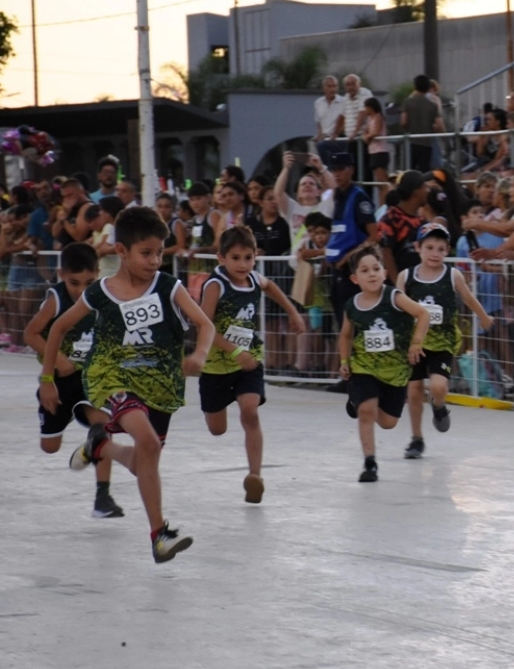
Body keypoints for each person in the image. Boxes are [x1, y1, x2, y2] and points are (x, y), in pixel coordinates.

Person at [40, 207, 215, 563]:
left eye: (160, 253)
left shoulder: (169, 287)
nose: (154, 261)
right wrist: (47, 380)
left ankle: (102, 447)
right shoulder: (101, 292)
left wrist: (199, 354)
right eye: (146, 253)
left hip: (161, 381)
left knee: (142, 461)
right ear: (121, 251)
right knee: (148, 441)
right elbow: (57, 328)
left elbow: (205, 324)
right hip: (113, 376)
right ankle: (159, 536)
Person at [198, 226, 306, 503]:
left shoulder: (254, 279)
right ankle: (221, 411)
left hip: (249, 361)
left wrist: (292, 311)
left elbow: (271, 287)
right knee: (217, 428)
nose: (242, 264)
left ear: (255, 256)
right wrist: (233, 351)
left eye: (248, 257)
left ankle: (255, 476)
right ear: (221, 258)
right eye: (235, 258)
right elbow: (204, 327)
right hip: (216, 367)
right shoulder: (215, 285)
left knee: (250, 412)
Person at [23, 242, 123, 519]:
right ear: (61, 274)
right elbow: (31, 334)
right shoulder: (55, 299)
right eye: (74, 283)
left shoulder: (104, 296)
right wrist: (50, 375)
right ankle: (74, 427)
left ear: (99, 273)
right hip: (58, 381)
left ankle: (103, 498)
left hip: (92, 377)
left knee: (103, 426)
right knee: (50, 446)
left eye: (88, 282)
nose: (81, 290)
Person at [396, 223, 494, 459]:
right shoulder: (406, 276)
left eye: (440, 249)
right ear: (418, 248)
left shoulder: (453, 275)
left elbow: (469, 299)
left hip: (443, 342)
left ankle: (439, 406)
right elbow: (396, 306)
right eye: (429, 247)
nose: (434, 253)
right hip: (415, 343)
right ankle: (416, 439)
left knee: (438, 387)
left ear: (447, 250)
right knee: (414, 390)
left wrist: (483, 317)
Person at [339, 246, 431, 482]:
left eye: (376, 269)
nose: (372, 274)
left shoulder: (393, 297)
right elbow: (346, 335)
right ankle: (370, 464)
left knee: (389, 423)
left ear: (384, 272)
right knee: (366, 410)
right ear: (354, 278)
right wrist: (344, 360)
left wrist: (416, 343)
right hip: (363, 368)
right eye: (365, 270)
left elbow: (423, 314)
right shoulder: (352, 305)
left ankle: (361, 402)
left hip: (395, 372)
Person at [324, 152, 380, 337]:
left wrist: (348, 258)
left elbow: (374, 235)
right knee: (343, 324)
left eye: (341, 169)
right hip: (338, 271)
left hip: (352, 270)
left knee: (355, 324)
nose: (337, 174)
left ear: (351, 170)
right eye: (333, 170)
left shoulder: (359, 198)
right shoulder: (338, 195)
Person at [377, 171, 428, 279]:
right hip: (397, 288)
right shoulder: (391, 218)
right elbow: (386, 254)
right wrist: (398, 285)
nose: (428, 190)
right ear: (415, 192)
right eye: (424, 187)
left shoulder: (422, 221)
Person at [401, 75, 445, 172]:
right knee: (425, 171)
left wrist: (408, 128)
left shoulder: (407, 102)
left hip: (411, 141)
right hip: (426, 143)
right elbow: (439, 125)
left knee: (409, 171)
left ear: (415, 86)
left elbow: (403, 122)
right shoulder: (432, 105)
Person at [313, 76, 345, 162]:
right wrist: (319, 134)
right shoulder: (318, 103)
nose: (333, 89)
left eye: (335, 86)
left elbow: (345, 121)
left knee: (322, 148)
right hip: (325, 138)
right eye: (329, 86)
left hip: (339, 138)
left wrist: (336, 134)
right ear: (324, 88)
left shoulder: (344, 101)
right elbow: (319, 121)